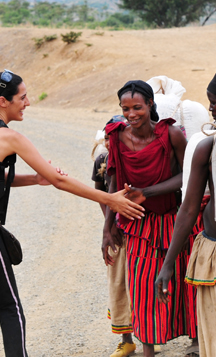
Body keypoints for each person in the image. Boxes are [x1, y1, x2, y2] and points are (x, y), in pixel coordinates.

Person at [0, 70, 146, 357]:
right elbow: (60, 181)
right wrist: (109, 199)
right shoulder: (8, 136)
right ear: (4, 101)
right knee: (10, 305)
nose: (28, 102)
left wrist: (34, 178)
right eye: (22, 97)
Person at [102, 80, 200, 357]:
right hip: (136, 223)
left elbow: (189, 176)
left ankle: (194, 340)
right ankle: (148, 348)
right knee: (141, 284)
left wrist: (146, 191)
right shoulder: (116, 137)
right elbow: (112, 185)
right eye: (125, 109)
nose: (132, 114)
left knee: (181, 280)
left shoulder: (171, 135)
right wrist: (107, 229)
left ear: (150, 105)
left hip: (173, 219)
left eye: (137, 107)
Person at [156, 74, 216, 357]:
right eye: (210, 102)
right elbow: (189, 208)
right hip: (212, 252)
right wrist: (168, 264)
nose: (211, 109)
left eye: (215, 103)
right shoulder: (208, 147)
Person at [92, 116, 136, 357]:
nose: (112, 142)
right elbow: (101, 194)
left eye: (116, 137)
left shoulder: (136, 157)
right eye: (109, 137)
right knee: (118, 283)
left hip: (140, 230)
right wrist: (109, 227)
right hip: (117, 233)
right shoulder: (103, 160)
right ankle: (126, 339)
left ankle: (149, 334)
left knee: (141, 283)